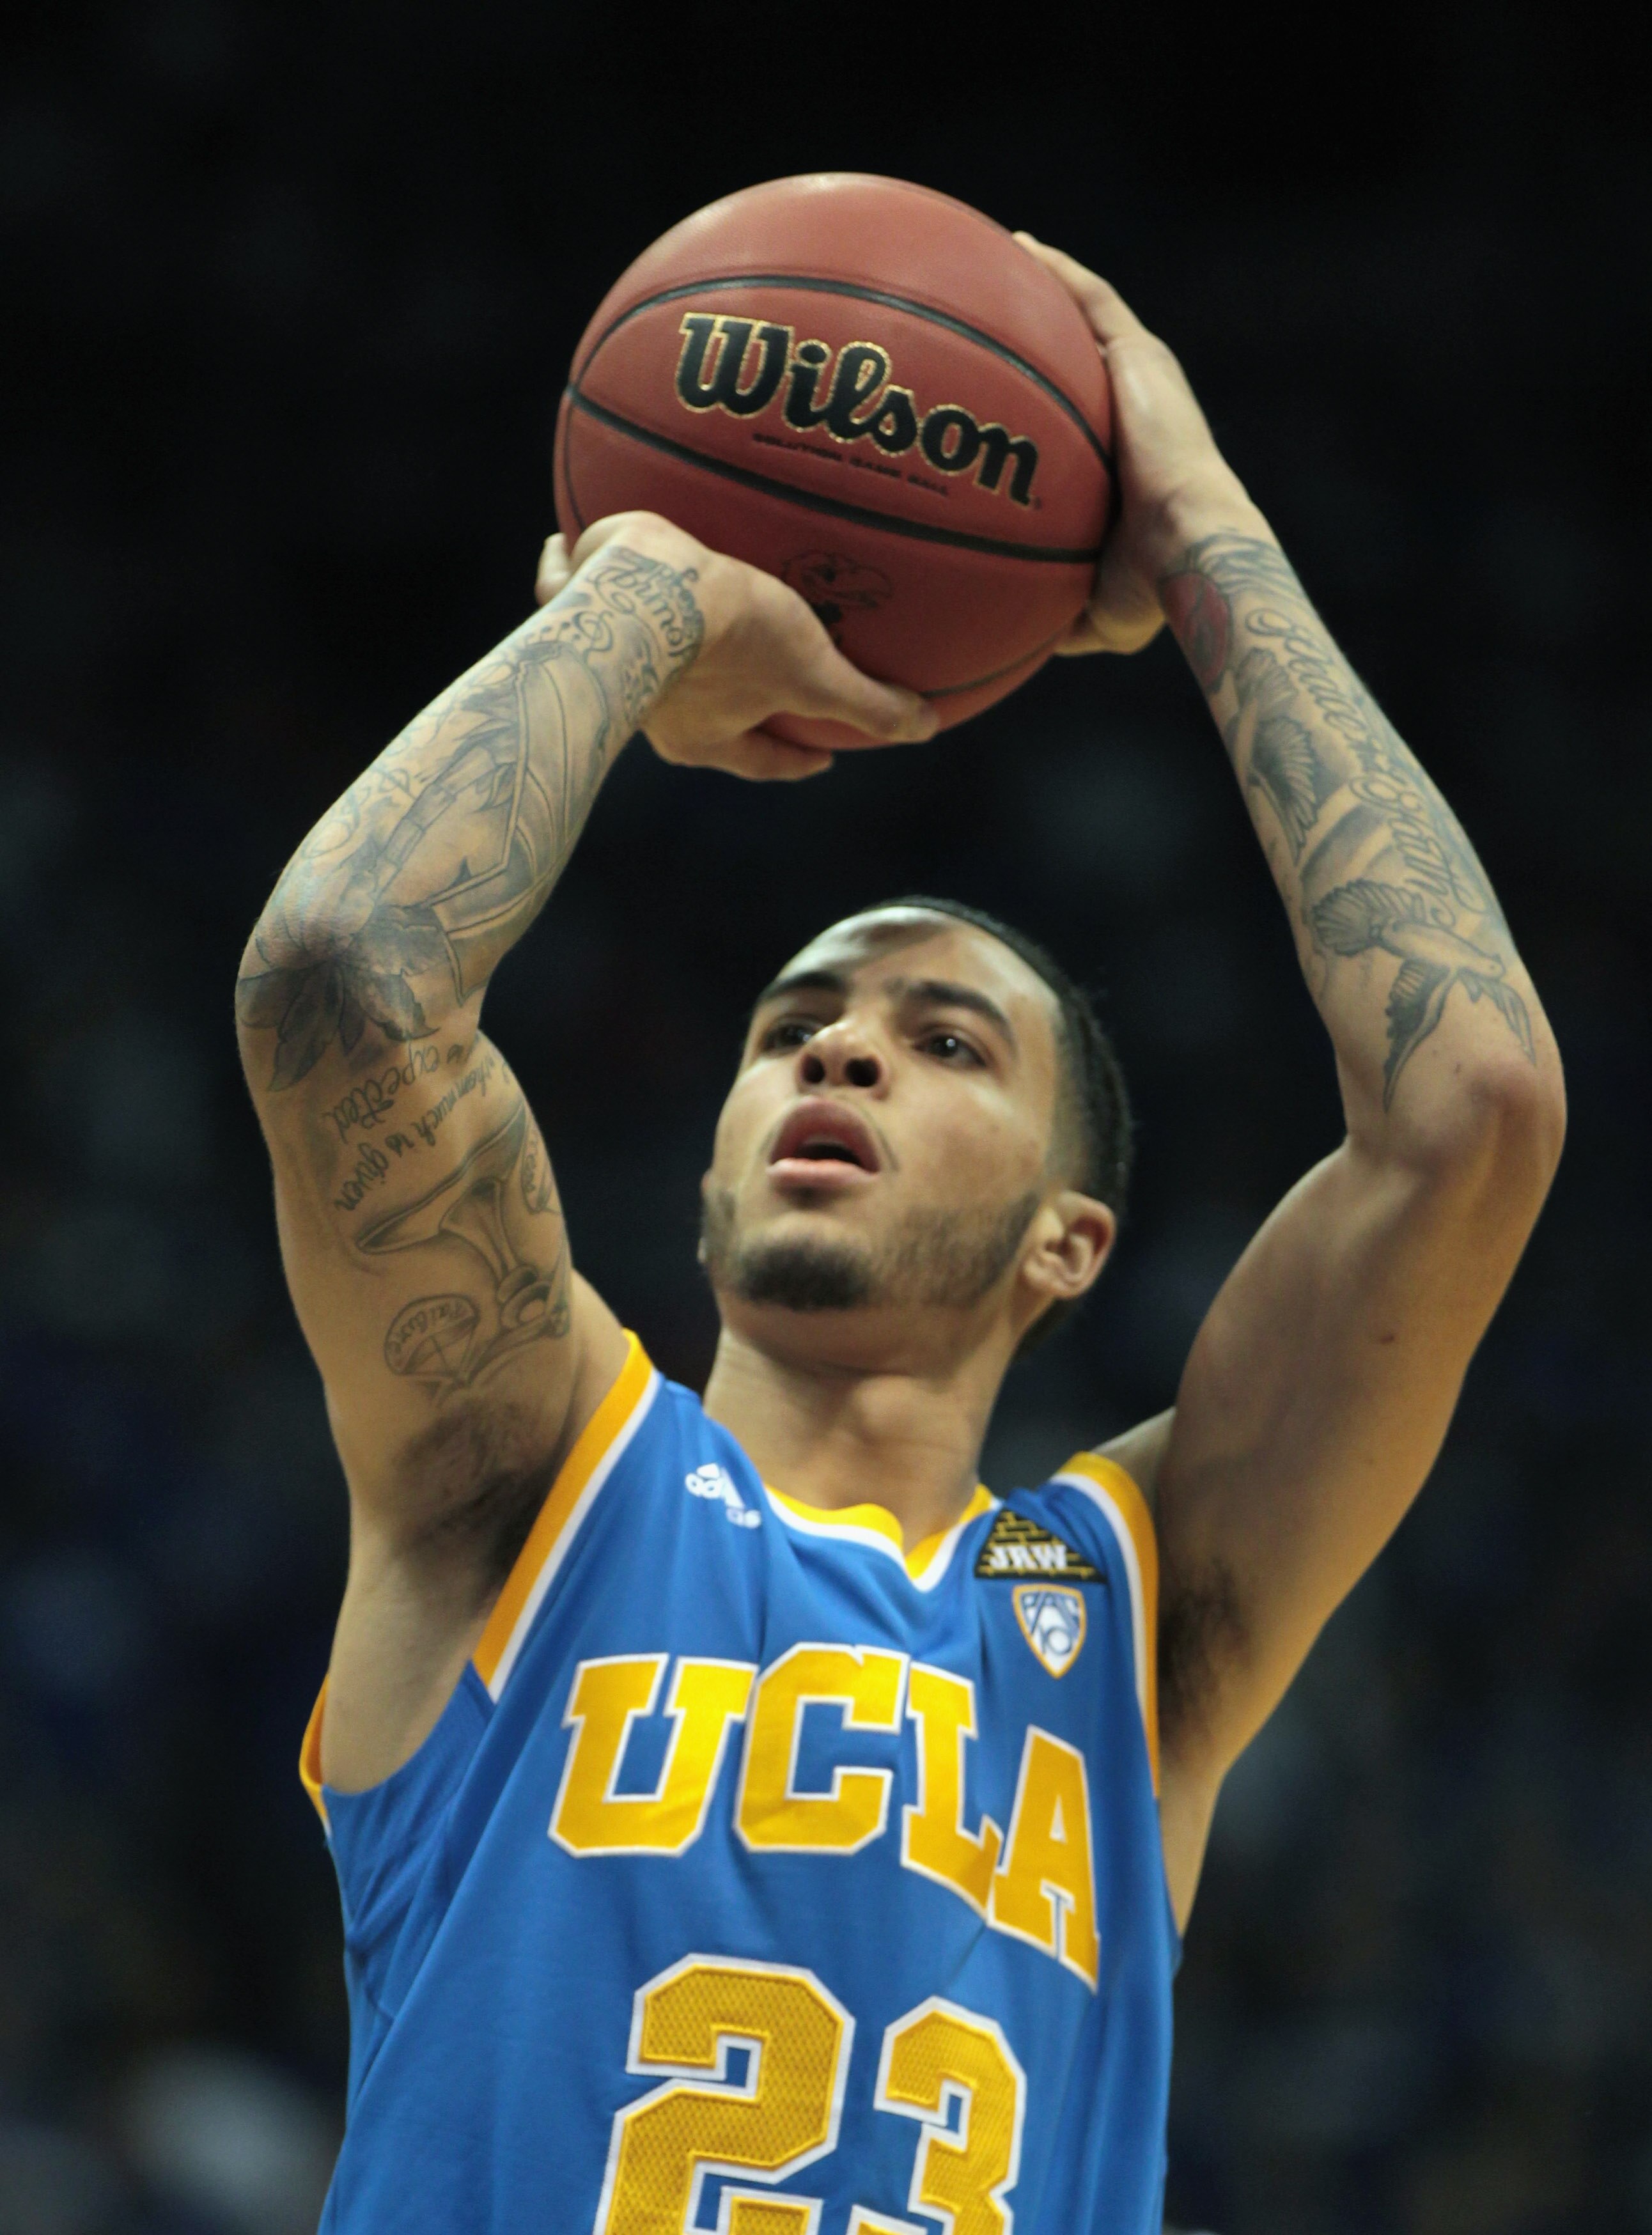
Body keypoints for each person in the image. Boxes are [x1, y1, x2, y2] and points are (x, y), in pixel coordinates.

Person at [235, 241, 1564, 2234]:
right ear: (712, 1160)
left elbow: (1475, 1113)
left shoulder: (1127, 1611)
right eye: (797, 1029)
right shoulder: (536, 1474)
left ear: (1068, 1242)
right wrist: (646, 593)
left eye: (946, 1042)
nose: (843, 1046)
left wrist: (1204, 532)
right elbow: (346, 974)